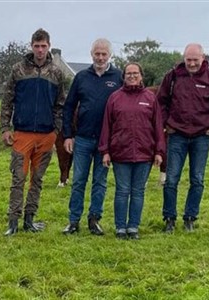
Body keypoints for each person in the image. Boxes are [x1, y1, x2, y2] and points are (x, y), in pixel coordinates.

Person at [0, 28, 66, 236]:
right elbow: (7, 99)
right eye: (36, 46)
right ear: (31, 46)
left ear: (49, 46)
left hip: (46, 134)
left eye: (43, 46)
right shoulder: (18, 70)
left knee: (37, 179)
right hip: (23, 133)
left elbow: (61, 104)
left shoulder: (57, 72)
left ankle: (30, 218)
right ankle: (13, 221)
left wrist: (56, 129)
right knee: (18, 178)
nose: (40, 50)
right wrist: (5, 127)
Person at [156, 43, 209, 233]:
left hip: (201, 136)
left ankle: (190, 218)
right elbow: (160, 102)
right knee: (171, 179)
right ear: (183, 58)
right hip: (176, 134)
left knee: (197, 179)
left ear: (203, 58)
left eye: (196, 60)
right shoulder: (172, 77)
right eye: (189, 60)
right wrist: (166, 123)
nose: (192, 63)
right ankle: (169, 218)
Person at [61, 38, 122, 236]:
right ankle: (73, 220)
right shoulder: (81, 77)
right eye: (97, 54)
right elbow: (69, 106)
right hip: (83, 138)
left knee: (100, 181)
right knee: (78, 180)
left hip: (106, 141)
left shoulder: (118, 77)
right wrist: (68, 135)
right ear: (91, 54)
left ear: (110, 55)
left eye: (104, 54)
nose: (101, 57)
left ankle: (94, 218)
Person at [99, 62, 164, 240]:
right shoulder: (114, 98)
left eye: (135, 73)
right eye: (128, 73)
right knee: (122, 190)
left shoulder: (150, 98)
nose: (132, 76)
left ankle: (133, 226)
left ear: (141, 76)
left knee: (138, 191)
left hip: (144, 153)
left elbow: (158, 126)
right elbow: (107, 126)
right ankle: (120, 227)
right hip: (120, 153)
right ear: (124, 76)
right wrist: (105, 150)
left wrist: (159, 151)